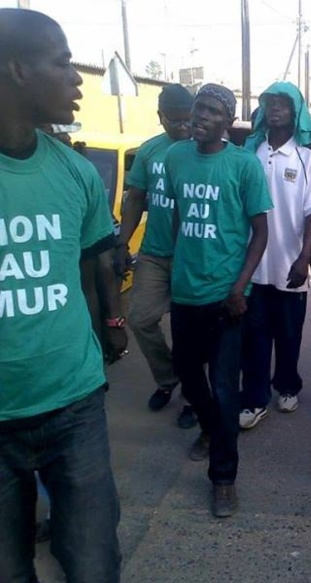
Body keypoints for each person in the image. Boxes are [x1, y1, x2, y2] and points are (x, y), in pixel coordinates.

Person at [0, 9, 126, 580]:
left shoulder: (75, 175)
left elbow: (89, 272)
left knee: (94, 562)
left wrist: (110, 335)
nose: (76, 78)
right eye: (62, 61)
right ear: (17, 69)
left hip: (75, 406)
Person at [165, 83, 272, 517]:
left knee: (226, 388)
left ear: (228, 122)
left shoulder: (244, 166)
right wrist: (178, 269)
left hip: (226, 299)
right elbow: (178, 221)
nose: (200, 117)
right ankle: (211, 429)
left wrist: (239, 288)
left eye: (211, 111)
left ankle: (223, 477)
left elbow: (260, 231)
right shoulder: (175, 159)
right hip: (185, 292)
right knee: (189, 379)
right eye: (197, 109)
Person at [240, 81, 311, 427]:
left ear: (296, 113)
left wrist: (305, 258)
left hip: (291, 263)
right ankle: (255, 398)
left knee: (289, 334)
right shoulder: (250, 154)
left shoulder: (306, 157)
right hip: (254, 265)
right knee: (255, 335)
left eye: (283, 104)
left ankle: (288, 386)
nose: (275, 109)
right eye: (269, 103)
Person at [116, 84, 198, 426]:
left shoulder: (204, 149)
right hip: (154, 252)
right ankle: (168, 379)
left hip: (193, 256)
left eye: (187, 120)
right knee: (140, 318)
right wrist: (122, 243)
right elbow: (135, 197)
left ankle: (194, 396)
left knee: (190, 331)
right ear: (160, 117)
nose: (181, 128)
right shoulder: (150, 152)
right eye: (173, 121)